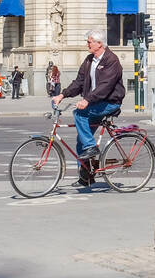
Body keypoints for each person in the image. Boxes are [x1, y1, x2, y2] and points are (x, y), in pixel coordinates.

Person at [53, 28, 125, 188]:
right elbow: (79, 82)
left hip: (110, 102)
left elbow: (105, 86)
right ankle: (86, 176)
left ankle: (91, 147)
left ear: (99, 43)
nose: (87, 44)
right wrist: (62, 95)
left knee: (79, 114)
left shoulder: (111, 61)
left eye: (89, 42)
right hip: (95, 102)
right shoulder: (89, 60)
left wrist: (87, 100)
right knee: (81, 140)